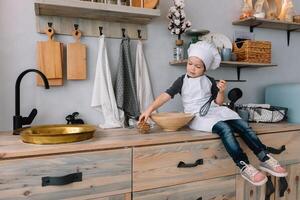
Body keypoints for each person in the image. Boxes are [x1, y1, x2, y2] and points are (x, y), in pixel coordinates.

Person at [138, 41, 287, 186]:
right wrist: (149, 109)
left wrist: (221, 91)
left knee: (243, 125)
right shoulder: (181, 81)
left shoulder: (209, 80)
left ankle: (265, 157)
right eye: (190, 64)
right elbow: (165, 95)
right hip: (196, 115)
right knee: (225, 129)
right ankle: (244, 165)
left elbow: (218, 103)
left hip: (215, 111)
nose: (192, 68)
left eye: (197, 66)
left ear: (205, 69)